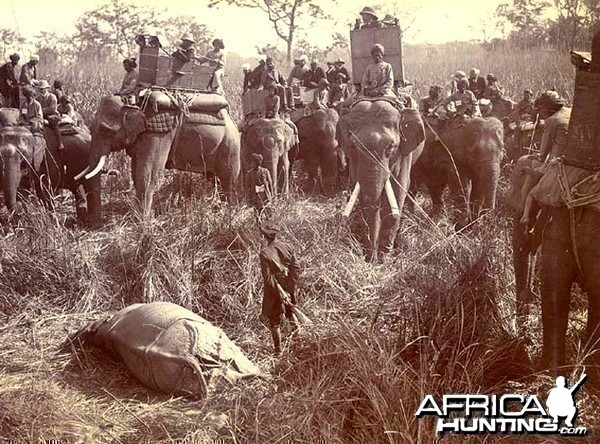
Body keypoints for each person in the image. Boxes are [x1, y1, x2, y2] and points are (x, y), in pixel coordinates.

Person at [258, 221, 300, 355]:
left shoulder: (264, 254)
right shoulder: (288, 246)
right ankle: (299, 342)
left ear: (264, 236)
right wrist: (290, 288)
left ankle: (278, 352)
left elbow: (268, 278)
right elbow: (296, 268)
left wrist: (279, 293)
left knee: (274, 321)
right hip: (288, 287)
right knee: (291, 314)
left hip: (274, 292)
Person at [535, 90, 571, 162]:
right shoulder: (570, 111)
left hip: (556, 161)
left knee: (523, 161)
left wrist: (539, 157)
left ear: (548, 107)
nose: (540, 112)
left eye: (541, 108)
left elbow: (543, 155)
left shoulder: (552, 120)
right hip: (570, 156)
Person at [38, 80, 65, 151]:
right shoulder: (38, 98)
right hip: (41, 115)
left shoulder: (52, 97)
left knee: (54, 126)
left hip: (52, 115)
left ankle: (60, 143)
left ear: (47, 88)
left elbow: (52, 108)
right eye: (41, 89)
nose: (42, 90)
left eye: (43, 89)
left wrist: (41, 110)